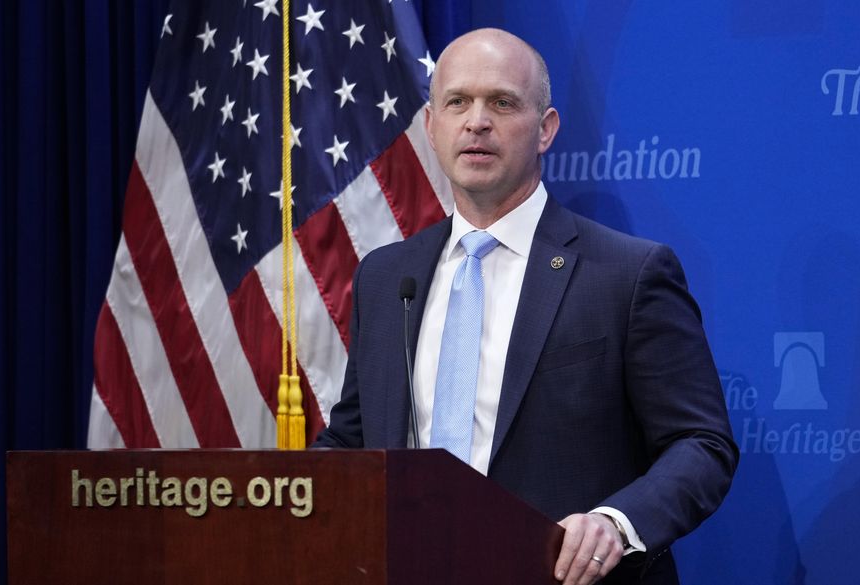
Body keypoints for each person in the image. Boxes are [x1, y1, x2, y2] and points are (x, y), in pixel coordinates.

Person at [312, 28, 738, 585]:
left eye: (503, 102)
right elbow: (354, 437)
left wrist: (615, 523)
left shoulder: (627, 274)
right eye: (457, 102)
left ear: (546, 129)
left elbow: (701, 444)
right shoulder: (388, 276)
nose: (477, 121)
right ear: (432, 127)